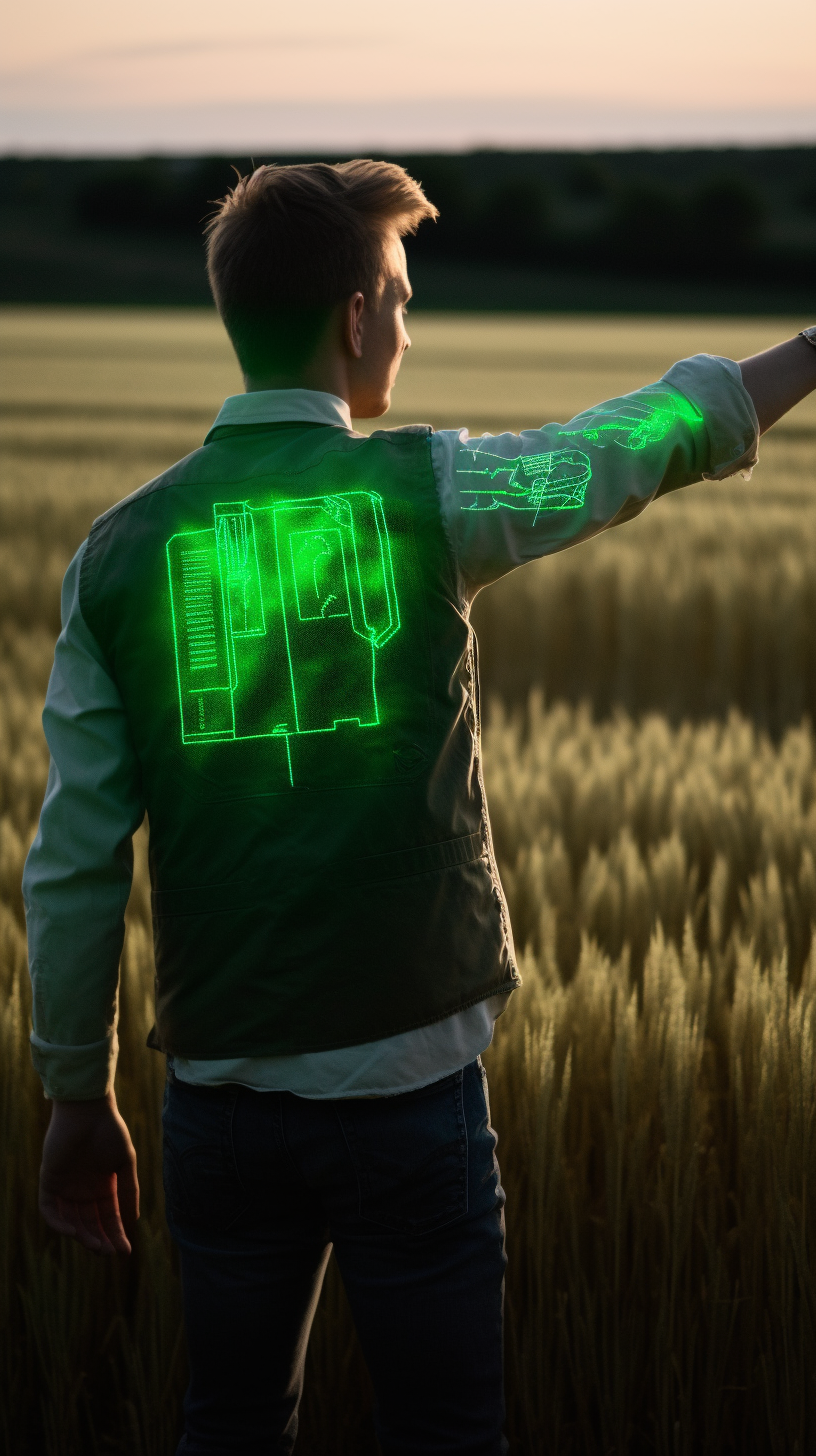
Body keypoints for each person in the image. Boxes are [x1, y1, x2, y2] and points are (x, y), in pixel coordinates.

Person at [23, 159, 816, 1455]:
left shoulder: (116, 555)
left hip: (221, 1100)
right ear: (353, 318)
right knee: (447, 1433)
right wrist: (809, 352)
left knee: (227, 1421)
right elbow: (627, 448)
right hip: (411, 1094)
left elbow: (71, 861)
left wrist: (71, 1089)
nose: (407, 324)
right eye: (399, 296)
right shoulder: (429, 496)